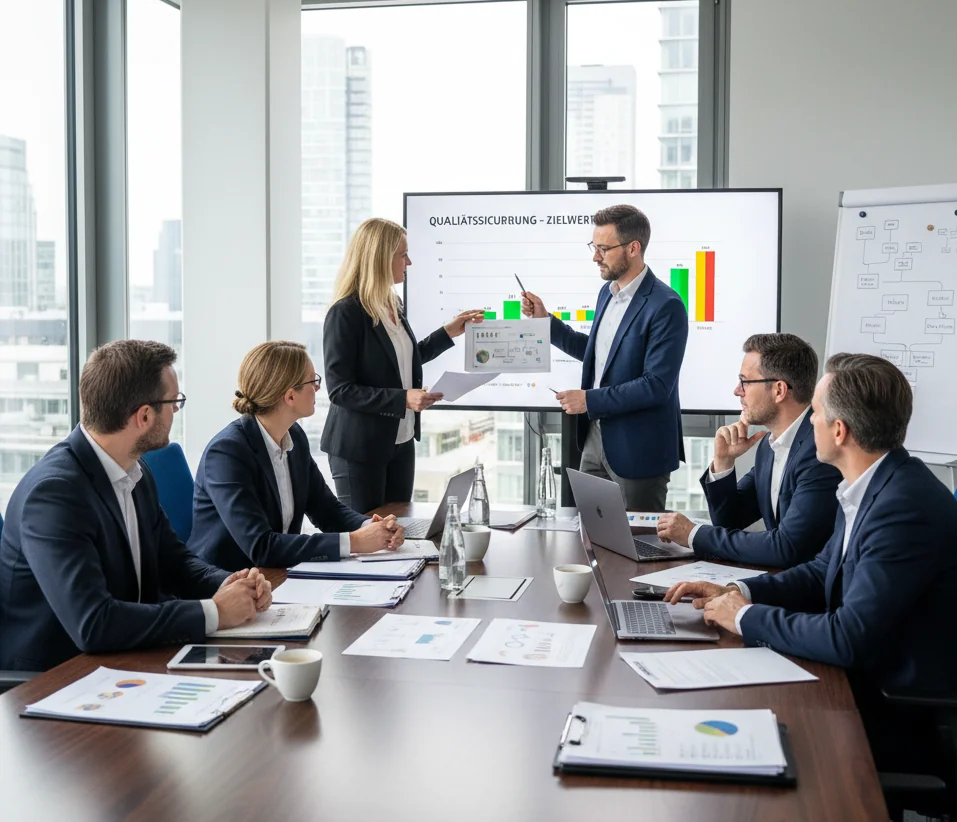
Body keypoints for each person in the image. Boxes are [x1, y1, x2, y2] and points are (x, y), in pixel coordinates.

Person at [665, 353, 957, 780]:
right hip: (876, 679)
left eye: (817, 415)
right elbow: (822, 569)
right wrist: (741, 592)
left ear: (839, 431)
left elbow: (848, 638)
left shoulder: (904, 508)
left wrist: (746, 618)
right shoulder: (869, 482)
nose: (809, 424)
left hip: (909, 715)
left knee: (743, 738)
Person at [0, 340, 271, 673]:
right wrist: (213, 612)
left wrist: (231, 584)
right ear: (144, 416)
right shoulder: (54, 495)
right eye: (174, 402)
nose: (175, 411)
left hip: (127, 659)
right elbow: (94, 623)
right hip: (58, 679)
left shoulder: (135, 471)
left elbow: (175, 561)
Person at [520, 204, 687, 511]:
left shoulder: (666, 305)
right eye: (594, 247)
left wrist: (589, 400)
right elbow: (597, 354)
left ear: (633, 248)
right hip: (595, 440)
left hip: (638, 448)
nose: (595, 257)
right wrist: (547, 322)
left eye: (603, 249)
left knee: (637, 549)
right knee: (592, 537)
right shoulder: (607, 294)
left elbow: (657, 385)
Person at [189, 341, 405, 572]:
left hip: (275, 574)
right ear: (290, 397)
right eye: (313, 381)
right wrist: (356, 541)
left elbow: (326, 510)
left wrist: (373, 528)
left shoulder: (294, 437)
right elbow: (261, 546)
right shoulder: (226, 453)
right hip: (227, 582)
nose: (318, 389)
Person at [321, 218, 483, 511]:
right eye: (402, 255)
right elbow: (340, 390)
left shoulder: (392, 304)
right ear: (380, 259)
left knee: (400, 529)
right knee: (368, 537)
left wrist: (448, 332)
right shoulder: (345, 313)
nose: (408, 262)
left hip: (401, 440)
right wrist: (403, 398)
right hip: (359, 448)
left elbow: (403, 360)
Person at [657, 333, 841, 567]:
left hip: (810, 594)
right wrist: (724, 462)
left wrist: (693, 534)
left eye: (745, 381)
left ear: (779, 390)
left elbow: (788, 548)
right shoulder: (770, 444)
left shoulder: (819, 452)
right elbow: (730, 522)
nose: (737, 391)